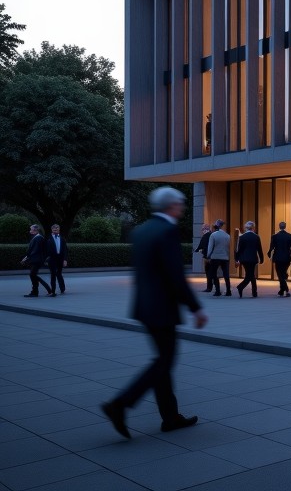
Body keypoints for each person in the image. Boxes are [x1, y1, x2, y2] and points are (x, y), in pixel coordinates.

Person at [101, 187, 207, 439]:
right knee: (163, 362)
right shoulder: (167, 230)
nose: (182, 207)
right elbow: (175, 276)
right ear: (172, 205)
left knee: (163, 361)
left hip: (145, 306)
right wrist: (196, 308)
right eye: (180, 203)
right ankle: (120, 404)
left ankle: (170, 417)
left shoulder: (142, 230)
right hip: (162, 308)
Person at [21, 223, 53, 297]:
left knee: (33, 275)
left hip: (36, 260)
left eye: (31, 229)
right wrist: (25, 258)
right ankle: (36, 291)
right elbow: (32, 250)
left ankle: (41, 291)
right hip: (35, 260)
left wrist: (26, 258)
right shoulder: (36, 237)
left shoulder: (38, 238)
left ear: (35, 230)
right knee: (33, 275)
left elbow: (35, 251)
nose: (30, 230)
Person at [234, 221, 264, 297]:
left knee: (251, 275)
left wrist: (237, 259)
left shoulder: (242, 237)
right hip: (253, 259)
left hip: (244, 259)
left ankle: (254, 292)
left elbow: (239, 249)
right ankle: (241, 287)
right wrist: (261, 258)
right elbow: (259, 249)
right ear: (253, 228)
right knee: (250, 275)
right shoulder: (256, 237)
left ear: (246, 228)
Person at [206, 219, 232, 297]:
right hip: (225, 257)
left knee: (214, 273)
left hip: (215, 257)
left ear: (216, 225)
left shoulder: (213, 235)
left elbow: (210, 247)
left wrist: (208, 255)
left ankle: (217, 291)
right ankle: (228, 291)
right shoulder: (227, 236)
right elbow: (228, 247)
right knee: (226, 274)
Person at [269, 220, 291, 297]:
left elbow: (271, 247)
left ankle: (286, 290)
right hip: (287, 257)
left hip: (278, 257)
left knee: (280, 274)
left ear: (279, 227)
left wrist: (269, 254)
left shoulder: (275, 236)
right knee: (283, 273)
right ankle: (281, 291)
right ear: (285, 227)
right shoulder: (290, 236)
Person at [47, 223, 69, 295]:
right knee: (53, 274)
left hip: (60, 259)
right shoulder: (48, 238)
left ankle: (62, 289)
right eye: (54, 228)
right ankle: (53, 291)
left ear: (59, 230)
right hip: (52, 259)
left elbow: (65, 250)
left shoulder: (62, 238)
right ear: (52, 230)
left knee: (59, 273)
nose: (55, 229)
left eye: (57, 228)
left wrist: (65, 260)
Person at [194, 224, 212, 292]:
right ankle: (215, 288)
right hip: (213, 256)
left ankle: (209, 288)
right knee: (213, 272)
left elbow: (201, 245)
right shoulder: (212, 235)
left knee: (208, 272)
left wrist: (196, 250)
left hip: (207, 257)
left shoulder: (205, 236)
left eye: (202, 229)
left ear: (205, 229)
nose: (202, 230)